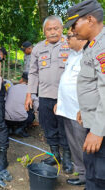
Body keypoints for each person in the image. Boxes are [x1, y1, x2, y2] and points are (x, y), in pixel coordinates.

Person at [25, 15, 73, 174]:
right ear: (44, 31)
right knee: (47, 125)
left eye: (56, 28)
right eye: (49, 29)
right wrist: (29, 94)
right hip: (45, 95)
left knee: (65, 127)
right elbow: (33, 73)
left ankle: (67, 156)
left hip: (65, 97)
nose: (53, 32)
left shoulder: (71, 44)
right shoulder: (38, 48)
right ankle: (55, 154)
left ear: (62, 29)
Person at [65, 0, 105, 189]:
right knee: (91, 172)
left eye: (74, 25)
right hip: (94, 122)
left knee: (99, 177)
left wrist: (98, 131)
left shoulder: (103, 47)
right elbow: (94, 85)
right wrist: (85, 109)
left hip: (101, 129)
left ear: (90, 19)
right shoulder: (92, 46)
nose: (72, 31)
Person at [55, 29, 88, 186]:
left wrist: (85, 107)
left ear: (79, 37)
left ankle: (92, 178)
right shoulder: (72, 55)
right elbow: (66, 80)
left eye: (69, 36)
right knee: (74, 144)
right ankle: (83, 175)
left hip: (80, 111)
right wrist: (59, 102)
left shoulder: (88, 55)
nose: (66, 39)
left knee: (85, 145)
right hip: (67, 109)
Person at [5, 72, 38, 137]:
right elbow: (37, 106)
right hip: (21, 119)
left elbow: (5, 100)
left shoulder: (11, 88)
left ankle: (9, 128)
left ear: (21, 79)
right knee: (31, 112)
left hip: (6, 118)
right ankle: (20, 129)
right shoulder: (31, 91)